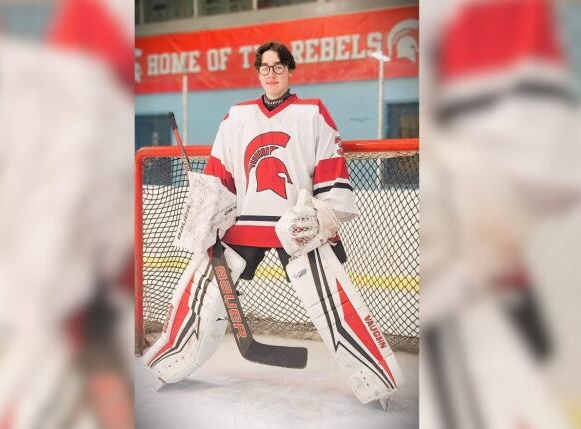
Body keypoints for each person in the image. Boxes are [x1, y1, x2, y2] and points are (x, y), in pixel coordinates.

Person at [144, 41, 404, 405]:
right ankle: (169, 361)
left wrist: (320, 216)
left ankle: (377, 381)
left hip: (296, 229)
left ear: (290, 70)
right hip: (243, 226)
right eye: (264, 67)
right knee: (199, 291)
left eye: (278, 66)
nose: (271, 73)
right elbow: (220, 174)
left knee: (335, 302)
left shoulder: (313, 113)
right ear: (257, 72)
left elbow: (332, 176)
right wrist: (207, 218)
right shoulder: (236, 115)